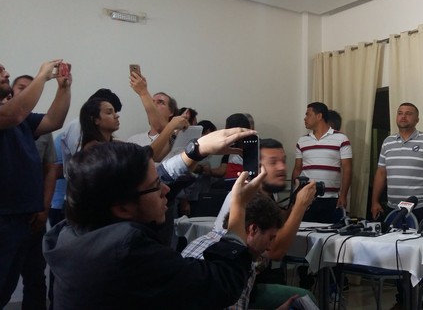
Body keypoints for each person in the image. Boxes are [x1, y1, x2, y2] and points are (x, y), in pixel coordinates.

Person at [43, 128, 262, 309]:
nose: (166, 189)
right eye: (156, 186)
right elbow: (222, 283)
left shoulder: (74, 230)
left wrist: (195, 150)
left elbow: (153, 180)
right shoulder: (128, 252)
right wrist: (238, 206)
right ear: (122, 208)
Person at [0, 60, 71, 308]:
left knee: (6, 287)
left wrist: (63, 88)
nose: (6, 72)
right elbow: (13, 113)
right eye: (0, 70)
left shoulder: (20, 120)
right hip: (3, 218)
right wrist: (42, 75)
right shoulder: (8, 114)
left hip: (21, 218)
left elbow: (54, 120)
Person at [213, 138, 318, 303]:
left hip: (252, 277)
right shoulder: (245, 196)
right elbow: (274, 251)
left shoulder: (267, 194)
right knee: (305, 299)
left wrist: (295, 202)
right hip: (233, 287)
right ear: (256, 168)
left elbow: (276, 224)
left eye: (283, 161)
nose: (282, 168)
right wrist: (300, 206)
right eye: (273, 162)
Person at [370, 102, 423, 310]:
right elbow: (380, 173)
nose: (403, 117)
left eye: (409, 114)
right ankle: (402, 300)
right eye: (400, 113)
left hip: (420, 207)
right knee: (398, 255)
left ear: (417, 119)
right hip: (394, 210)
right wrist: (374, 200)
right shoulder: (387, 142)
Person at [186, 193, 312, 310]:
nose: (269, 247)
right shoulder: (239, 262)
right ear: (253, 229)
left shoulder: (199, 241)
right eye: (270, 238)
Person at [9, 75, 60, 310]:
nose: (26, 92)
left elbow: (50, 168)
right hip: (6, 215)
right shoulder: (7, 117)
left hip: (31, 214)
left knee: (34, 273)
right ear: (11, 91)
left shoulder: (34, 124)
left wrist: (44, 205)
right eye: (21, 88)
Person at [292, 102, 352, 222]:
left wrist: (344, 195)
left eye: (308, 115)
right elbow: (298, 169)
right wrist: (295, 194)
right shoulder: (302, 141)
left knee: (331, 236)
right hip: (307, 197)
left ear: (319, 116)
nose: (305, 118)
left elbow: (347, 168)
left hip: (331, 198)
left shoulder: (341, 139)